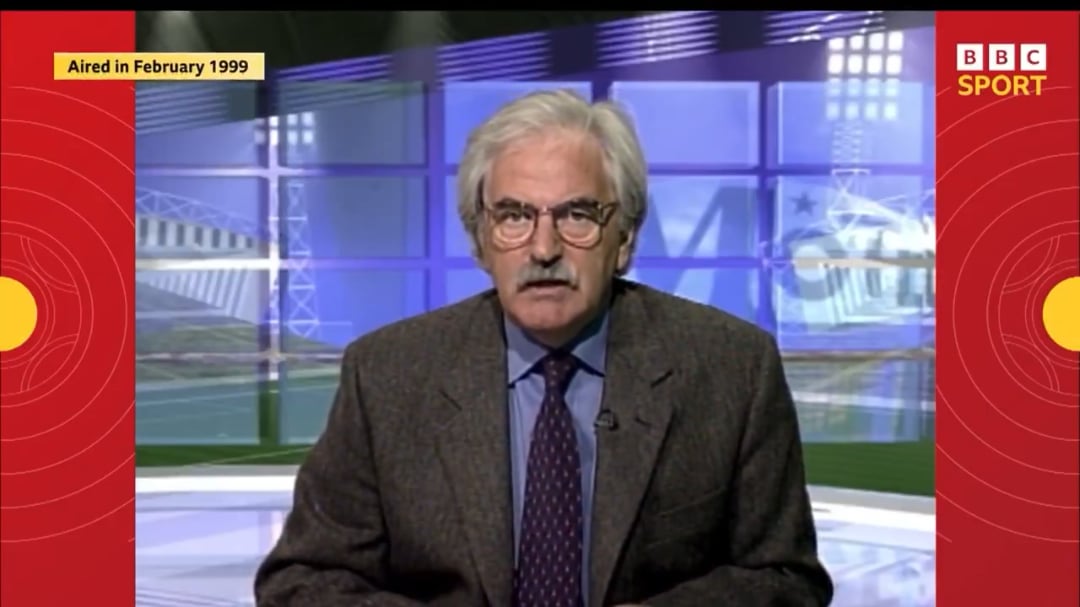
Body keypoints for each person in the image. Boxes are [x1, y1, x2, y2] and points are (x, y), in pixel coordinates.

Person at [254, 89, 833, 607]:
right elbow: (302, 579)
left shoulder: (733, 368)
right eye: (514, 216)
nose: (544, 248)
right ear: (481, 240)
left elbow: (787, 578)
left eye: (578, 215)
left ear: (625, 237)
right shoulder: (387, 375)